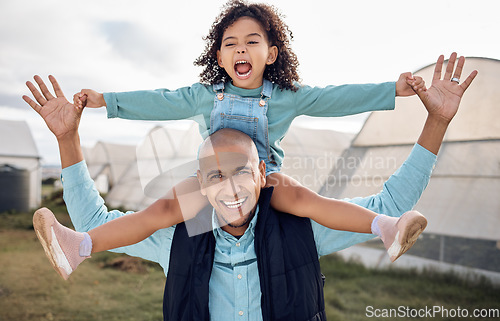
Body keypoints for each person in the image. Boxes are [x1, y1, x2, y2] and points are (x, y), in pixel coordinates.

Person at [24, 52, 476, 320]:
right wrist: (68, 138)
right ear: (200, 184)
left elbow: (391, 200)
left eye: (242, 171)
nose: (230, 187)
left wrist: (435, 121)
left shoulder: (302, 227)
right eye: (215, 177)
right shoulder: (178, 234)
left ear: (262, 174)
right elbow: (96, 224)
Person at [32, 0, 428, 275]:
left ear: (271, 54)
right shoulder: (207, 95)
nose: (241, 49)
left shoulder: (288, 98)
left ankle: (384, 227)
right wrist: (108, 101)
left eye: (252, 42)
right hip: (215, 180)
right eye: (231, 44)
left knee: (308, 200)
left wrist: (391, 89)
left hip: (265, 179)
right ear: (219, 57)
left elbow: (336, 98)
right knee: (159, 213)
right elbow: (163, 102)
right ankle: (80, 246)